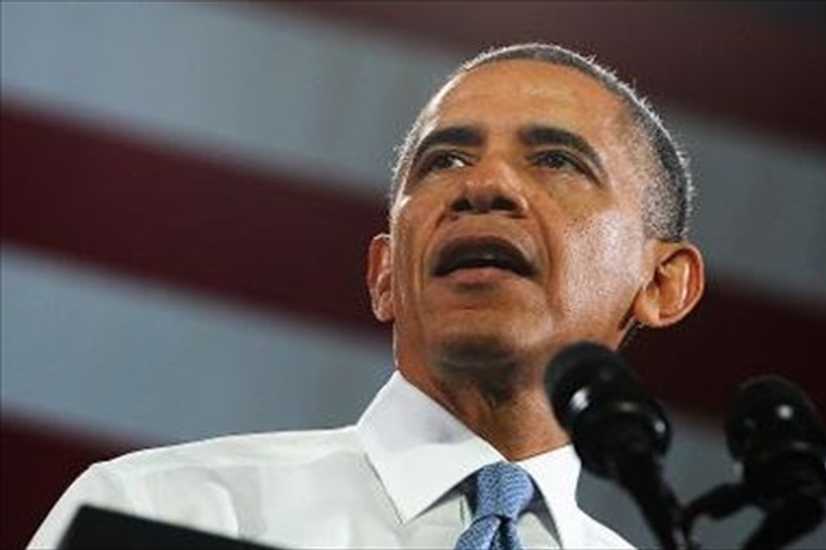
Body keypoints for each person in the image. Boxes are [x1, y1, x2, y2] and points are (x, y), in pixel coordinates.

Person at [28, 43, 704, 549]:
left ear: (662, 283)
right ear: (384, 275)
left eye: (556, 160)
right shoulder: (167, 512)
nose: (484, 186)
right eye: (444, 161)